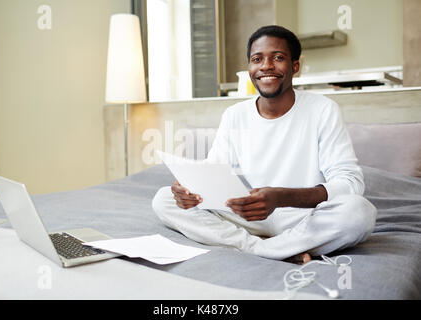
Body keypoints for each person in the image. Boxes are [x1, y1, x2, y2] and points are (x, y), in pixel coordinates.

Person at [152, 25, 377, 264]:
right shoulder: (235, 114)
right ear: (250, 68)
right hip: (250, 214)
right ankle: (262, 248)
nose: (266, 66)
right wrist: (190, 190)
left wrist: (279, 197)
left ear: (295, 67)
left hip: (303, 218)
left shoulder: (322, 109)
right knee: (164, 199)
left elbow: (350, 183)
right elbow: (214, 170)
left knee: (359, 212)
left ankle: (270, 246)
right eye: (256, 59)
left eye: (278, 58)